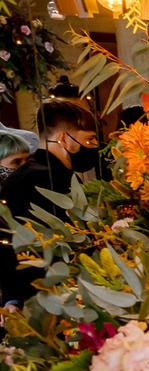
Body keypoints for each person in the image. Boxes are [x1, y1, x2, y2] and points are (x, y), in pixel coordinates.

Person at [0, 98, 99, 307]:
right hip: (52, 294)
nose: (95, 147)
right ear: (63, 138)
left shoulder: (23, 174)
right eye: (90, 140)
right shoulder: (49, 179)